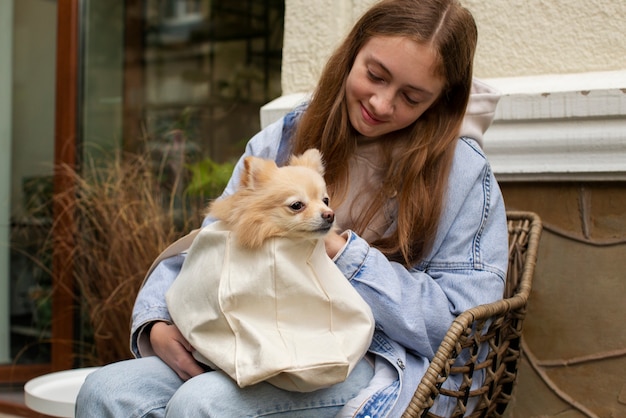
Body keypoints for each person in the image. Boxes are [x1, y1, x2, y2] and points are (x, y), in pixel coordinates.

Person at [76, 0, 508, 416]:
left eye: (412, 97)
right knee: (106, 392)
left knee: (203, 404)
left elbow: (465, 328)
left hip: (371, 358)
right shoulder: (281, 140)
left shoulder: (462, 176)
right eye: (375, 75)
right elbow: (209, 246)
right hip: (246, 335)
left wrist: (343, 255)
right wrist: (155, 323)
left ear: (441, 100)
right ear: (351, 54)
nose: (381, 103)